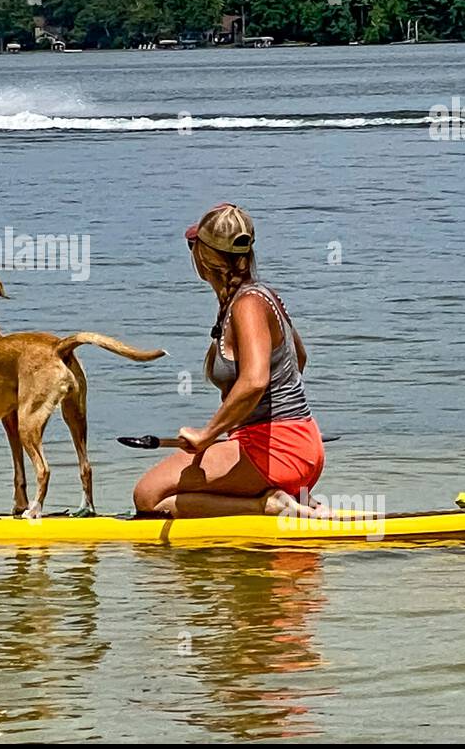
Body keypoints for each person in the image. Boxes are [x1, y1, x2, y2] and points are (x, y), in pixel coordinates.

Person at [132, 203, 328, 519]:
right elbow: (299, 358)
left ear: (205, 258)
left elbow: (255, 381)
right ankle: (275, 496)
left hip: (277, 450)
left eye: (192, 245)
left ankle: (265, 505)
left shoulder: (247, 305)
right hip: (298, 443)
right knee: (166, 492)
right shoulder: (260, 296)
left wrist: (208, 434)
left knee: (148, 496)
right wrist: (242, 427)